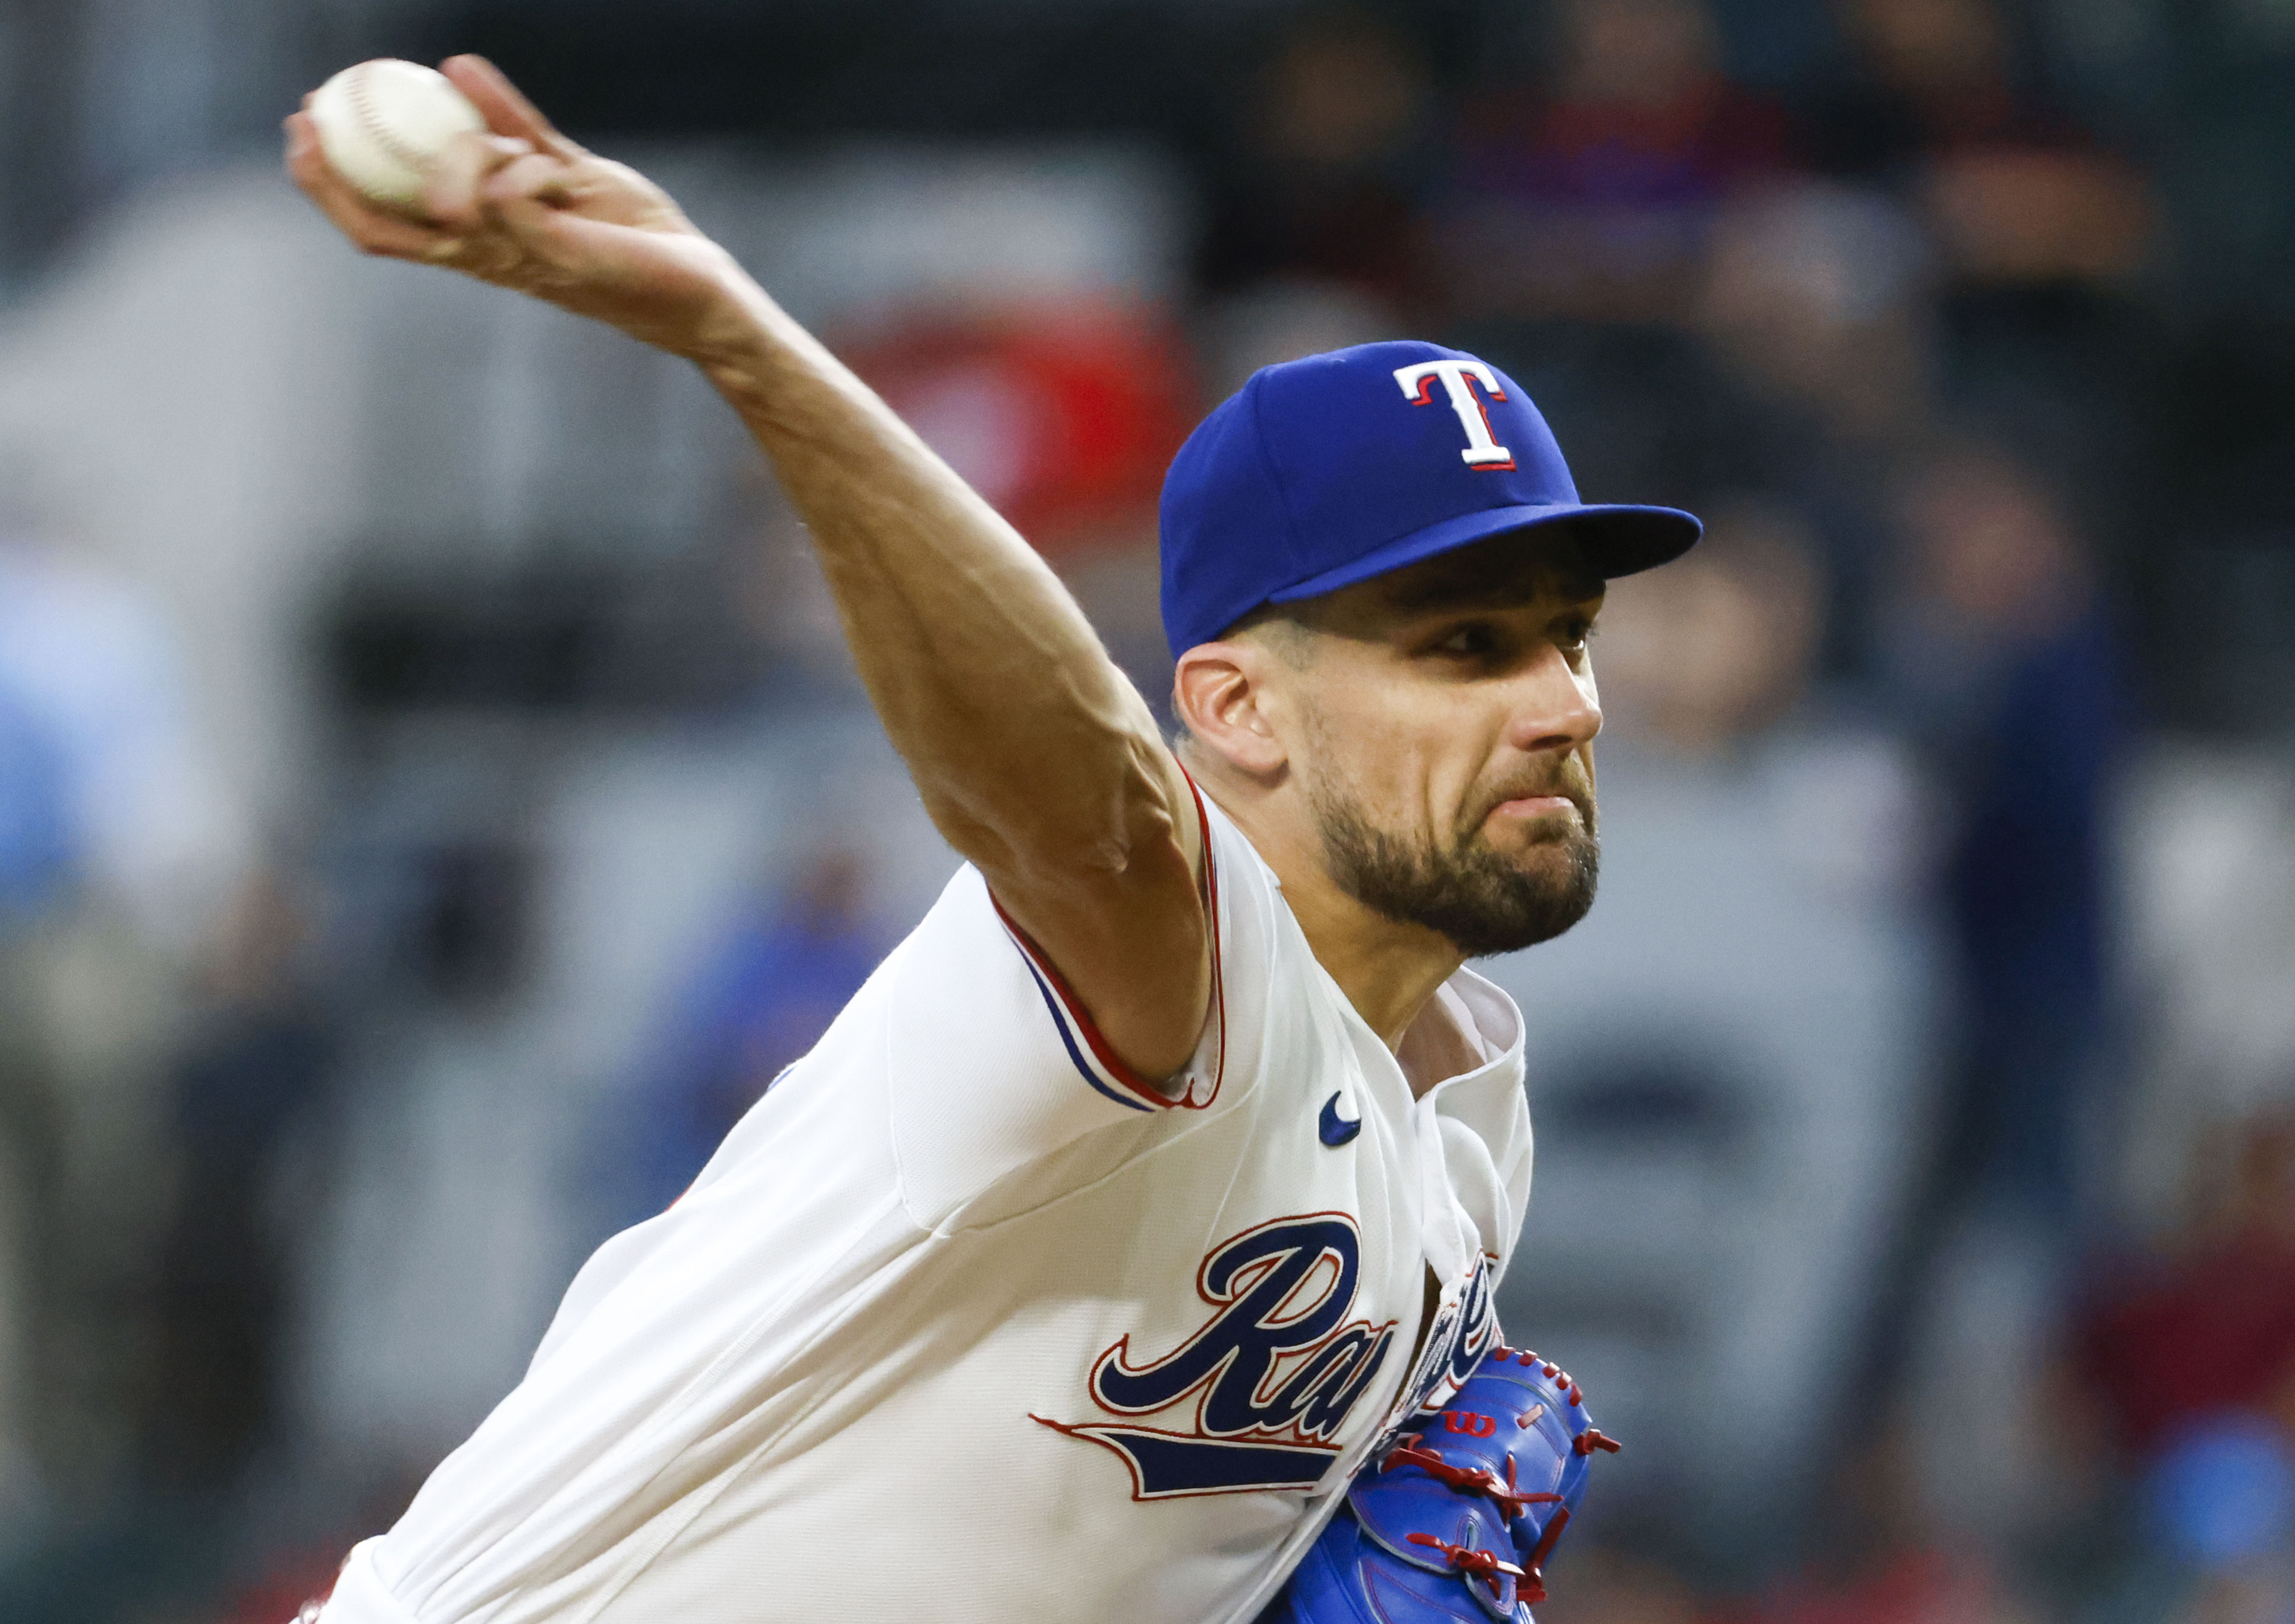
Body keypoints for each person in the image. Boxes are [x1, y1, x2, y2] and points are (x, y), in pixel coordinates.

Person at [285, 56, 1699, 1624]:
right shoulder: (1188, 959)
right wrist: (743, 345)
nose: (1561, 703)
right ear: (1235, 708)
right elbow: (1073, 790)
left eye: (1565, 637)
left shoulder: (1468, 1136)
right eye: (1463, 647)